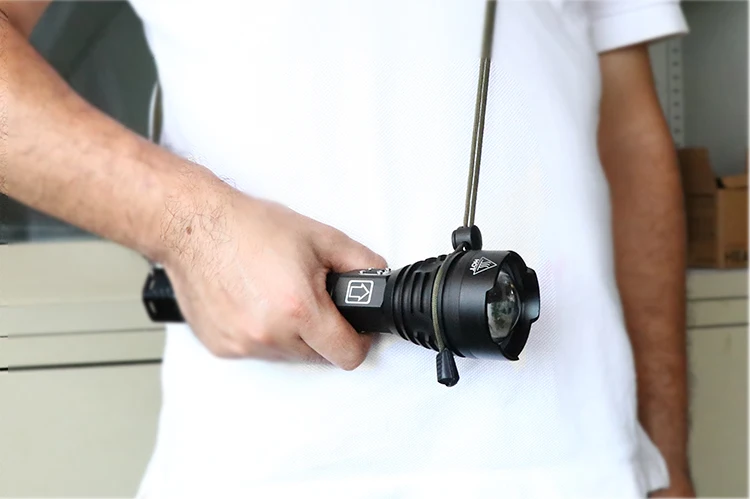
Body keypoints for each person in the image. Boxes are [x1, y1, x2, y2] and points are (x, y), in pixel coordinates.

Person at [1, 0, 695, 497]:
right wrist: (190, 225)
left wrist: (666, 461)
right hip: (264, 471)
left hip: (586, 468)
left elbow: (628, 133)